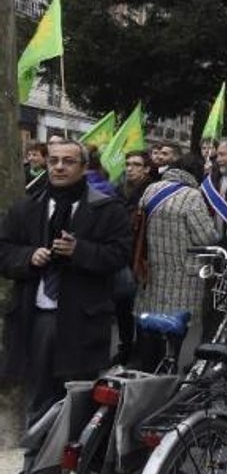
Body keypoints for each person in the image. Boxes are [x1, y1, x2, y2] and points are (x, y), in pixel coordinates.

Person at [0, 140, 132, 423]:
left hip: (83, 321)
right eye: (53, 161)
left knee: (77, 405)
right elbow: (4, 250)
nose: (59, 167)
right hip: (36, 319)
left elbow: (121, 255)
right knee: (38, 402)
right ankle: (36, 463)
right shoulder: (26, 207)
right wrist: (27, 257)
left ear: (84, 167)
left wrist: (80, 250)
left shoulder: (108, 209)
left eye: (68, 161)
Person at [134, 155, 219, 368]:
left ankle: (147, 372)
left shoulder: (151, 189)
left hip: (152, 269)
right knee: (176, 326)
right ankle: (169, 371)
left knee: (152, 323)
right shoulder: (192, 196)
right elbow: (205, 238)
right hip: (183, 273)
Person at [112, 150, 154, 365]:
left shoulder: (151, 192)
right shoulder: (119, 190)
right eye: (128, 163)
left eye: (136, 164)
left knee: (140, 309)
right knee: (123, 307)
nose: (130, 168)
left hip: (142, 257)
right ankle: (125, 347)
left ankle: (141, 351)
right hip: (121, 256)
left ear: (147, 168)